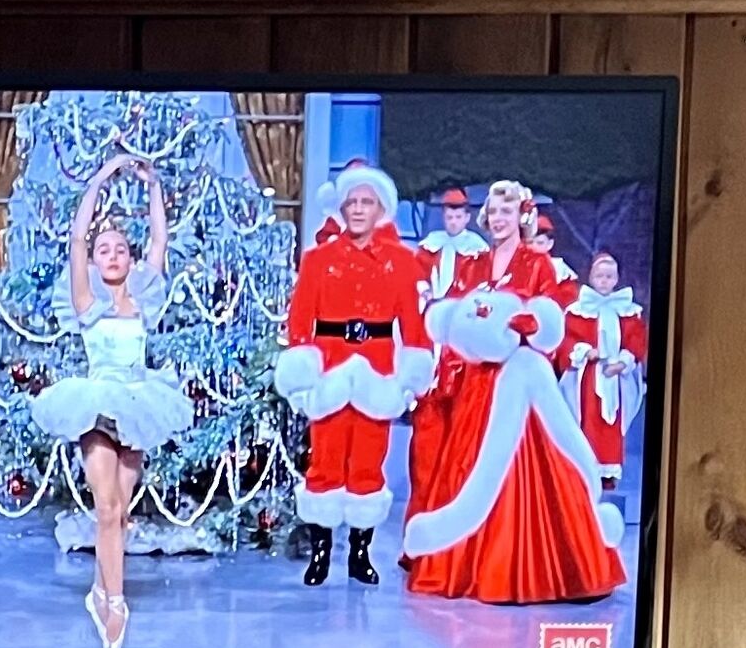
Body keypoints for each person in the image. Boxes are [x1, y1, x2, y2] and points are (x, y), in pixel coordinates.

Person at [404, 178, 620, 603]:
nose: (499, 220)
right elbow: (455, 315)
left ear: (520, 216)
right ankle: (464, 564)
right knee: (468, 467)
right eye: (495, 212)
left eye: (507, 212)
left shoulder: (536, 264)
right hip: (477, 384)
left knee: (531, 473)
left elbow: (550, 321)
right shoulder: (473, 264)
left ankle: (533, 569)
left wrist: (525, 327)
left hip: (521, 384)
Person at [25, 151, 193, 648]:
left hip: (139, 402)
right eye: (105, 249)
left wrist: (153, 187)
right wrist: (99, 178)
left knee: (120, 514)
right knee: (106, 508)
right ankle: (115, 604)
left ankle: (99, 591)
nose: (113, 255)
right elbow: (75, 239)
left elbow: (161, 241)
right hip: (97, 402)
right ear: (95, 261)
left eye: (121, 248)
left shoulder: (142, 295)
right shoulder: (85, 300)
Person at [271, 161, 433, 587]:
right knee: (323, 461)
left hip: (377, 369)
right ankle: (321, 553)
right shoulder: (319, 258)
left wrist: (412, 375)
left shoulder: (401, 261)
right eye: (352, 202)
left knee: (368, 463)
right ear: (342, 209)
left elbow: (413, 324)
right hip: (328, 367)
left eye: (367, 202)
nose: (358, 209)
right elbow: (299, 319)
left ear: (382, 209)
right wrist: (302, 375)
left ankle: (360, 554)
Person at [570, 243, 650, 487]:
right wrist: (585, 352)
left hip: (615, 376)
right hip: (590, 376)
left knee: (611, 424)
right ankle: (586, 468)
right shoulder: (578, 310)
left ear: (616, 279)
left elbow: (637, 339)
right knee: (589, 420)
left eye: (609, 277)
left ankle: (608, 473)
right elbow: (568, 339)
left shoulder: (628, 311)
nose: (604, 281)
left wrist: (623, 362)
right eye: (599, 276)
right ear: (591, 278)